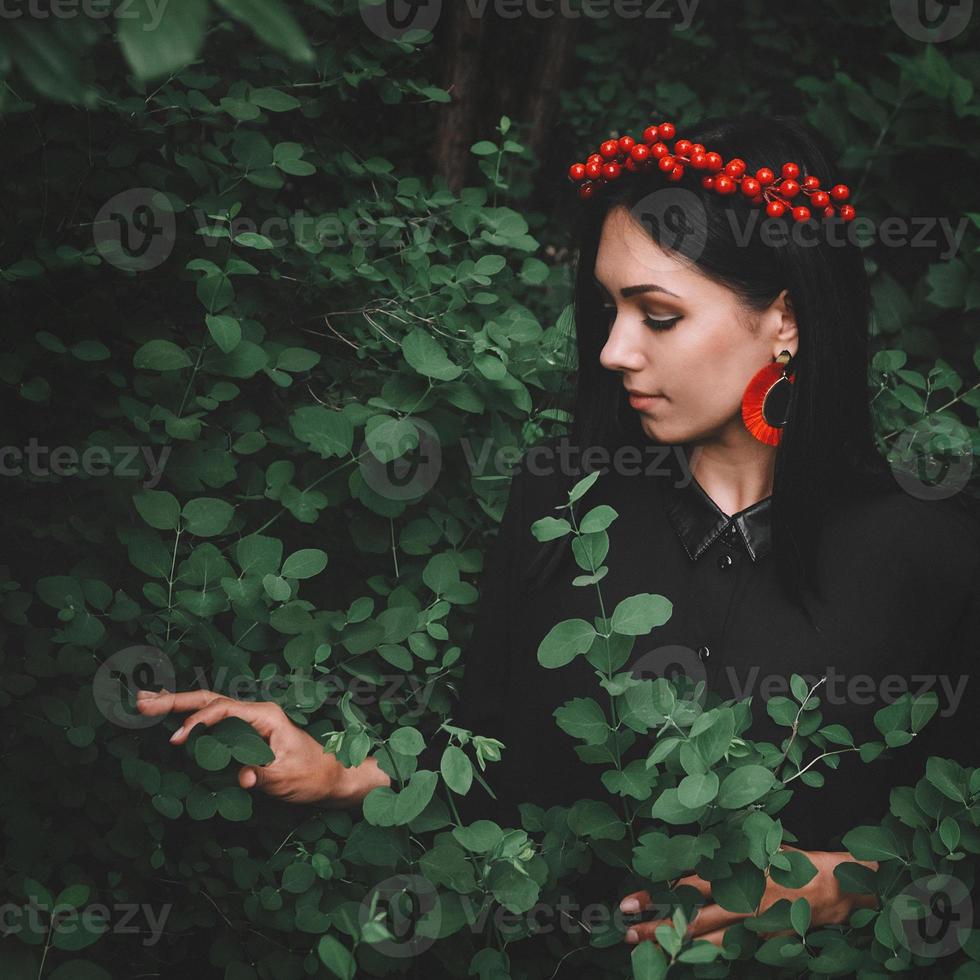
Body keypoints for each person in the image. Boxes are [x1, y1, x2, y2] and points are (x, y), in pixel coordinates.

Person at [135, 114, 979, 965]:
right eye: (608, 307)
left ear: (785, 320)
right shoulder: (568, 495)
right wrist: (336, 769)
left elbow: (960, 861)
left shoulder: (935, 560)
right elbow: (494, 752)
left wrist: (839, 886)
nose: (613, 349)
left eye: (657, 316)